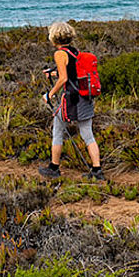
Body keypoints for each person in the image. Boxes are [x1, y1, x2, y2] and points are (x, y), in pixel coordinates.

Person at [38, 22, 104, 181]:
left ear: (54, 37)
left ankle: (54, 168)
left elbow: (64, 78)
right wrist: (52, 74)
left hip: (72, 99)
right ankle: (97, 170)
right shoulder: (74, 51)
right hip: (85, 97)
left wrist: (50, 94)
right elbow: (72, 72)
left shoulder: (60, 54)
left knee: (58, 131)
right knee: (88, 134)